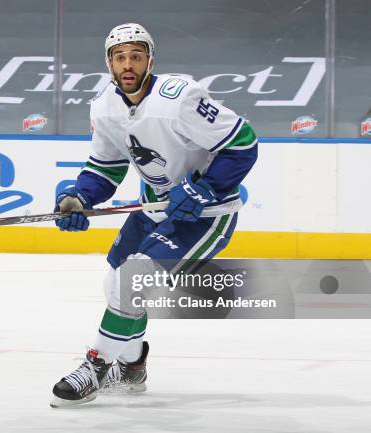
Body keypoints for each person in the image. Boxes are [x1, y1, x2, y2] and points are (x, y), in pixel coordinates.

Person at [50, 23, 258, 408]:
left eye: (136, 55)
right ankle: (131, 366)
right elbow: (105, 168)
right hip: (153, 208)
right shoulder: (104, 106)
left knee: (132, 281)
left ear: (149, 60)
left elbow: (243, 143)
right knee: (117, 282)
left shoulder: (180, 98)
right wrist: (79, 198)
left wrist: (205, 188)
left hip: (206, 215)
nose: (127, 64)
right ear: (109, 63)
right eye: (119, 57)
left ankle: (95, 366)